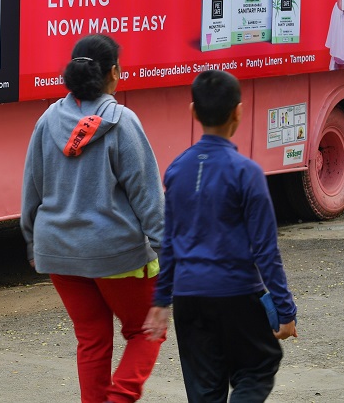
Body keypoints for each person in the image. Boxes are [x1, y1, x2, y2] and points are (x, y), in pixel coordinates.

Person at [21, 34, 165, 403]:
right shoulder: (123, 123)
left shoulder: (46, 120)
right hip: (115, 253)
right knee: (146, 330)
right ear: (113, 73)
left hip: (58, 252)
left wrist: (33, 244)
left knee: (92, 338)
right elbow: (147, 196)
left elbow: (31, 192)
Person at [143, 70, 298, 403]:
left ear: (193, 112)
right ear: (238, 112)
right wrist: (285, 310)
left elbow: (168, 241)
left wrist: (161, 300)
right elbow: (264, 250)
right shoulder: (247, 173)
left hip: (188, 299)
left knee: (204, 392)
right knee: (258, 367)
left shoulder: (176, 169)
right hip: (237, 295)